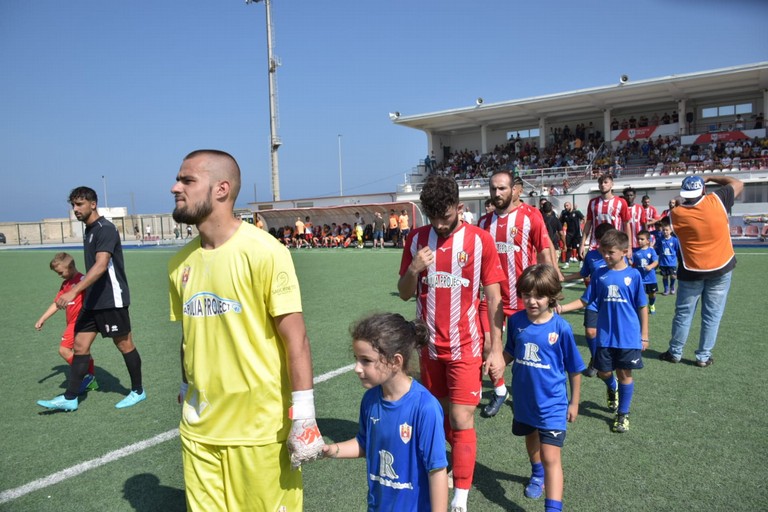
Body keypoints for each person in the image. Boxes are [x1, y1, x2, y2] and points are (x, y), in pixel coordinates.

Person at [168, 150, 324, 511]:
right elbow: (188, 336)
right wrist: (183, 385)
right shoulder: (179, 264)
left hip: (258, 432)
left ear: (221, 189)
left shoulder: (265, 252)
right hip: (199, 429)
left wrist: (304, 415)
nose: (175, 187)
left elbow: (295, 337)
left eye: (187, 180)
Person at [398, 174, 505, 512]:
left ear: (459, 208)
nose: (440, 226)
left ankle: (460, 495)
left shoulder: (480, 241)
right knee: (439, 417)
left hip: (466, 346)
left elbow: (493, 295)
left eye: (445, 218)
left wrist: (497, 347)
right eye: (433, 219)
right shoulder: (416, 239)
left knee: (462, 418)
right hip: (427, 348)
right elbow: (403, 293)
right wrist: (414, 269)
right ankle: (453, 462)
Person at [321, 313, 449, 512]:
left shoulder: (425, 407)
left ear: (395, 362)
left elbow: (437, 469)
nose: (357, 368)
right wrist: (330, 450)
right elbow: (364, 444)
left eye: (366, 360)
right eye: (357, 359)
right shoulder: (370, 399)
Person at [37, 187, 144, 411]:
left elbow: (101, 266)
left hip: (111, 299)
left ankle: (137, 391)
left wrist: (73, 290)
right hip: (93, 300)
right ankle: (70, 398)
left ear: (93, 204)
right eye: (73, 205)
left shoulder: (105, 229)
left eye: (80, 204)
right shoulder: (89, 230)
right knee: (79, 345)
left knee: (124, 344)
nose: (75, 209)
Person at [477, 172, 559, 419]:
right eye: (493, 189)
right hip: (491, 299)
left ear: (515, 190)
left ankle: (538, 392)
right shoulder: (482, 223)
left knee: (528, 351)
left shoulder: (531, 216)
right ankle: (500, 390)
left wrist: (550, 292)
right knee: (489, 346)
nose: (497, 193)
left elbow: (544, 254)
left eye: (502, 188)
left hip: (525, 299)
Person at [503, 265, 584, 512]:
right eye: (526, 295)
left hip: (553, 405)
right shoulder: (516, 321)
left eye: (538, 296)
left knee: (551, 457)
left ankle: (553, 508)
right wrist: (493, 364)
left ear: (552, 296)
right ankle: (536, 473)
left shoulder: (561, 328)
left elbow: (574, 368)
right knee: (531, 438)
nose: (531, 301)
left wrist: (574, 402)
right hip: (524, 402)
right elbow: (510, 352)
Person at [560, 230, 649, 433]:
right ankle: (611, 386)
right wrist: (561, 309)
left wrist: (644, 335)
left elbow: (642, 306)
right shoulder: (599, 274)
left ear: (624, 252)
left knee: (625, 374)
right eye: (603, 251)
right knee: (603, 372)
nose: (605, 256)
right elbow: (585, 300)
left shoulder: (633, 275)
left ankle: (622, 415)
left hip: (628, 336)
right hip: (605, 335)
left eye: (610, 252)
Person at [660, 175, 744, 367]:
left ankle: (675, 352)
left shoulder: (676, 214)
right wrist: (711, 177)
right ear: (703, 190)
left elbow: (671, 220)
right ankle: (703, 357)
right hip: (722, 267)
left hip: (692, 271)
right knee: (712, 315)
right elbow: (738, 183)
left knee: (683, 314)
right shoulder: (718, 199)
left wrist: (677, 203)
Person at [34, 252, 98, 394]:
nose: (59, 275)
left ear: (70, 267)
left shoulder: (83, 280)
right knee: (83, 351)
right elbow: (57, 303)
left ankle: (85, 376)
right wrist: (42, 318)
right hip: (71, 322)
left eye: (61, 272)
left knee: (63, 350)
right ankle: (92, 380)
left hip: (79, 322)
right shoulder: (65, 284)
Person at [580, 174, 632, 258]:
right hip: (595, 246)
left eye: (605, 182)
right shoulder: (593, 202)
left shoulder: (621, 202)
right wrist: (582, 244)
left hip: (615, 245)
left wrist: (629, 246)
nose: (603, 184)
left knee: (615, 270)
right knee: (594, 270)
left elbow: (626, 224)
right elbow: (588, 223)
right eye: (600, 183)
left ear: (612, 184)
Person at [633, 231, 659, 315]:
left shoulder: (651, 251)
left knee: (653, 294)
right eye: (638, 239)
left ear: (648, 240)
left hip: (651, 278)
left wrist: (650, 266)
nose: (639, 241)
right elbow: (632, 264)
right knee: (641, 295)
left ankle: (651, 304)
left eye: (642, 239)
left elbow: (656, 262)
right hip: (640, 279)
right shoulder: (635, 251)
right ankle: (642, 309)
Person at [656, 222, 680, 295]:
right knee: (665, 276)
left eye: (667, 230)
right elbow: (658, 249)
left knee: (673, 276)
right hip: (663, 262)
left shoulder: (675, 240)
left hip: (672, 262)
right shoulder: (660, 240)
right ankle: (666, 289)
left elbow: (677, 250)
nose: (665, 231)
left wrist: (678, 259)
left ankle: (672, 286)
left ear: (671, 231)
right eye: (663, 230)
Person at [559, 202, 584, 266]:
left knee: (578, 248)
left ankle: (581, 261)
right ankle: (567, 263)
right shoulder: (565, 214)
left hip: (577, 234)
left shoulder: (576, 212)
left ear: (570, 206)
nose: (566, 207)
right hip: (569, 234)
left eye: (567, 205)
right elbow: (560, 222)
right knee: (568, 248)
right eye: (565, 206)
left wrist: (582, 225)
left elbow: (584, 218)